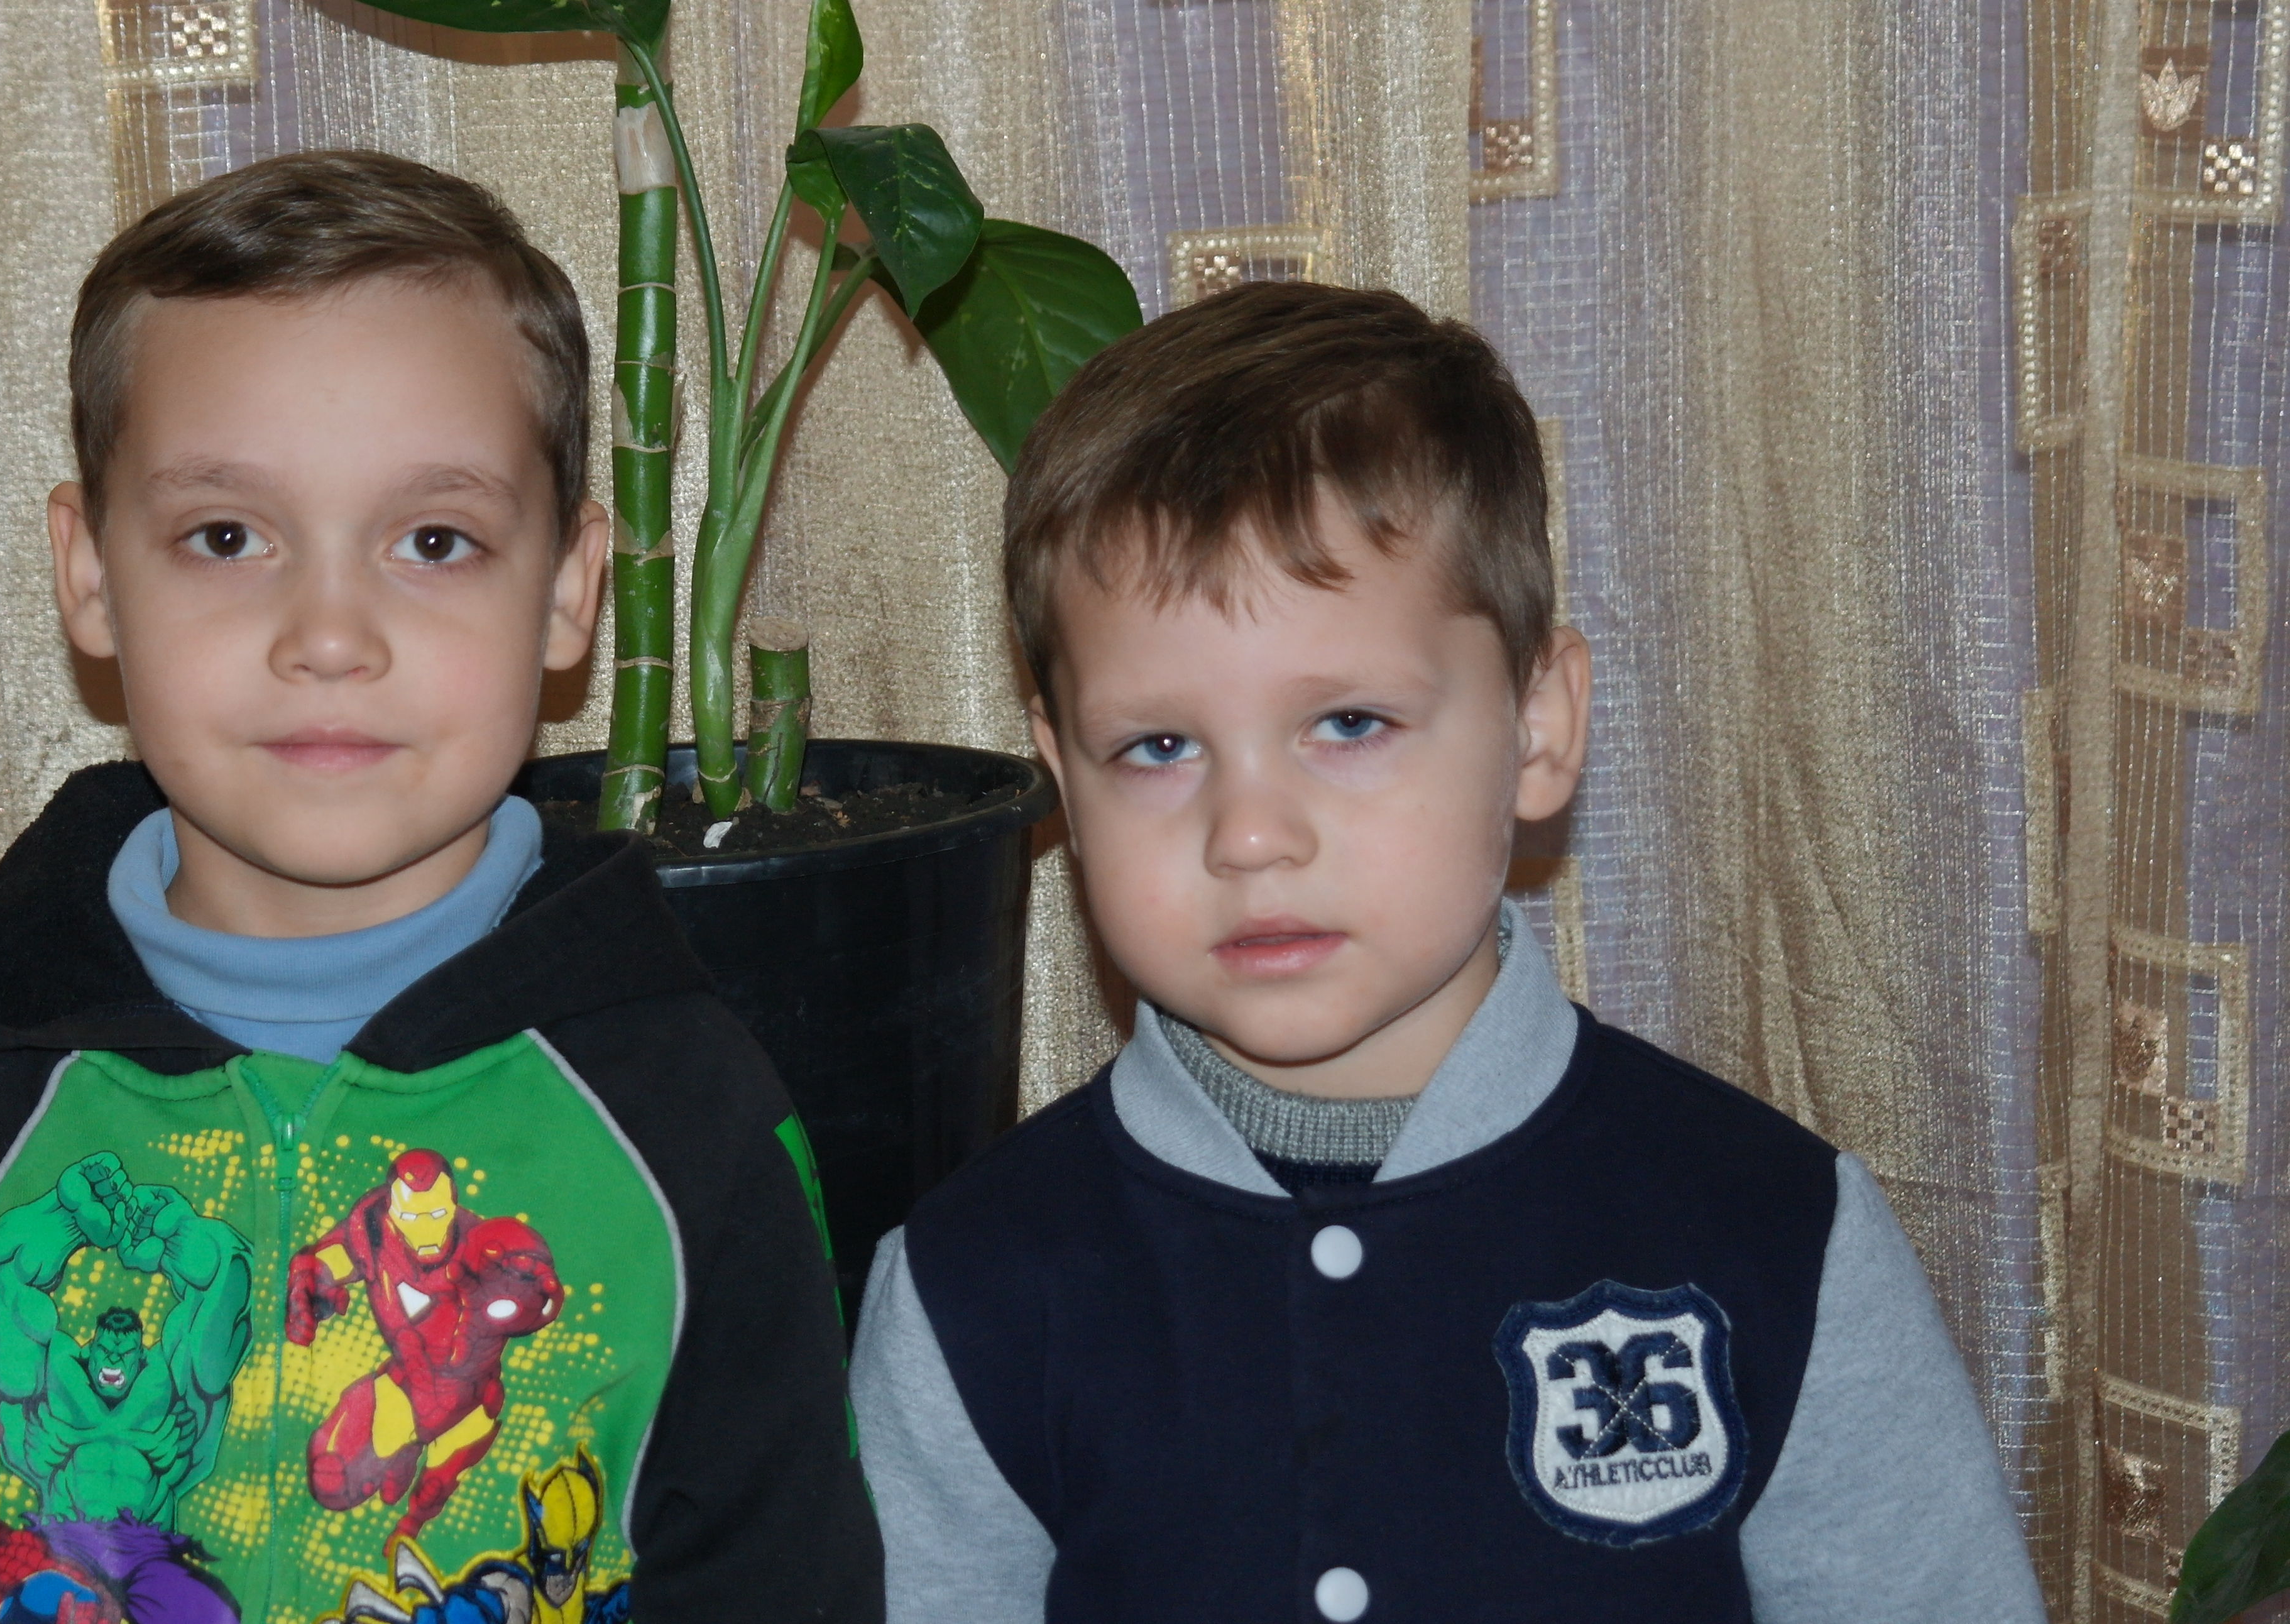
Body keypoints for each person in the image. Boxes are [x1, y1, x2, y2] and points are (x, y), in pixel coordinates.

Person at [0, 150, 880, 1624]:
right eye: (227, 537)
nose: (329, 634)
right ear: (90, 573)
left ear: (570, 587)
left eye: (433, 541)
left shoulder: (684, 1114)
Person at [847, 280, 2045, 1623]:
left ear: (1538, 728)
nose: (1252, 834)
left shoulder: (1779, 1231)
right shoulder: (970, 1289)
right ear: (1063, 777)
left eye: (1349, 723)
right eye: (1159, 746)